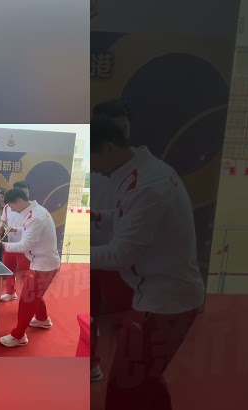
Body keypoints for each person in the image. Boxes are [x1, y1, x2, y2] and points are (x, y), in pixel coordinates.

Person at [88, 117, 205, 410]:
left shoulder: (147, 185)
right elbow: (127, 216)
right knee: (144, 371)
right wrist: (99, 216)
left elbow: (121, 254)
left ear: (108, 147)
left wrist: (72, 254)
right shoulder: (142, 171)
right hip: (159, 294)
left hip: (164, 302)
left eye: (92, 158)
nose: (92, 167)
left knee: (125, 383)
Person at [90, 100, 135, 383]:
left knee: (124, 321)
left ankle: (128, 371)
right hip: (90, 253)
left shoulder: (137, 169)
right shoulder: (88, 161)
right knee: (87, 315)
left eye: (124, 128)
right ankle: (90, 363)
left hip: (120, 257)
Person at [0, 188, 60, 347]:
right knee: (35, 294)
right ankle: (42, 320)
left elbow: (25, 245)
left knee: (27, 298)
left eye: (12, 206)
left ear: (20, 201)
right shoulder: (34, 211)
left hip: (44, 265)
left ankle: (19, 336)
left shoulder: (36, 216)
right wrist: (16, 229)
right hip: (41, 262)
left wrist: (0, 244)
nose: (11, 209)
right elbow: (30, 231)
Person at [0, 181, 31, 301]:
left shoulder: (32, 209)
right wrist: (0, 226)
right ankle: (11, 292)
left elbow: (30, 228)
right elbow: (3, 220)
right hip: (10, 244)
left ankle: (27, 296)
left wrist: (15, 229)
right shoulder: (7, 207)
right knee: (9, 269)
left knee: (26, 273)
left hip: (24, 246)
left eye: (27, 192)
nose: (26, 194)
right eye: (23, 192)